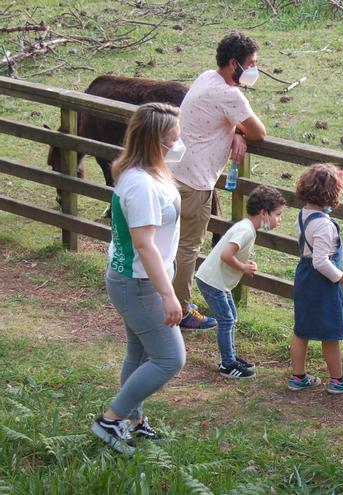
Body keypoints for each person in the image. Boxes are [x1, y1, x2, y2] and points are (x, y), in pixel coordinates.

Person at [91, 103, 187, 455]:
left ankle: (132, 421)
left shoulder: (146, 172)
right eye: (174, 139)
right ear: (155, 142)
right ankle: (110, 420)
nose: (179, 144)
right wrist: (168, 295)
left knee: (141, 353)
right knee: (170, 359)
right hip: (139, 284)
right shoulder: (141, 185)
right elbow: (144, 245)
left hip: (136, 281)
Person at [171, 30, 267, 331]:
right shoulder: (229, 94)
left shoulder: (205, 78)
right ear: (234, 63)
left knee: (170, 242)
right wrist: (241, 131)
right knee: (188, 247)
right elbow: (260, 132)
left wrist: (235, 131)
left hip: (173, 172)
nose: (254, 69)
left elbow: (232, 123)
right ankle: (181, 309)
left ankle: (164, 298)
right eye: (250, 63)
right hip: (195, 182)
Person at [287, 163, 343, 394]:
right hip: (322, 283)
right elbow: (321, 261)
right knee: (330, 333)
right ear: (332, 194)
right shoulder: (325, 225)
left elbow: (313, 250)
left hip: (304, 279)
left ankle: (298, 377)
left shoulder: (305, 215)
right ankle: (337, 380)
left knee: (301, 330)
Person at [195, 185, 286, 379]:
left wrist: (244, 263)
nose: (279, 219)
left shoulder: (248, 228)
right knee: (226, 319)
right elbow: (226, 255)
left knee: (231, 317)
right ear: (263, 213)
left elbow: (231, 254)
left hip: (218, 281)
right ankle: (227, 364)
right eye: (277, 215)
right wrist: (243, 268)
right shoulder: (245, 230)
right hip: (212, 281)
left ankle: (231, 356)